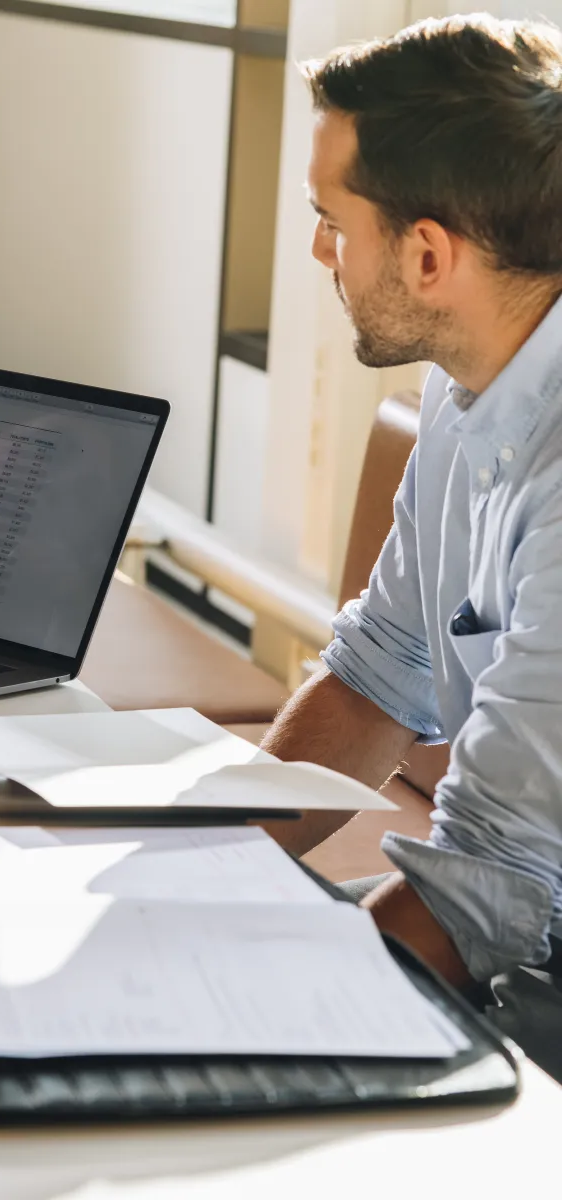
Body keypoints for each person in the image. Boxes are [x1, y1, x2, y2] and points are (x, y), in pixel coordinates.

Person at [265, 15, 562, 1076]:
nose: (318, 252)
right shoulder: (464, 381)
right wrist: (181, 877)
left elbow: (487, 885)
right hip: (511, 915)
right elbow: (376, 677)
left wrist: (240, 1007)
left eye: (330, 221)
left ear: (428, 254)